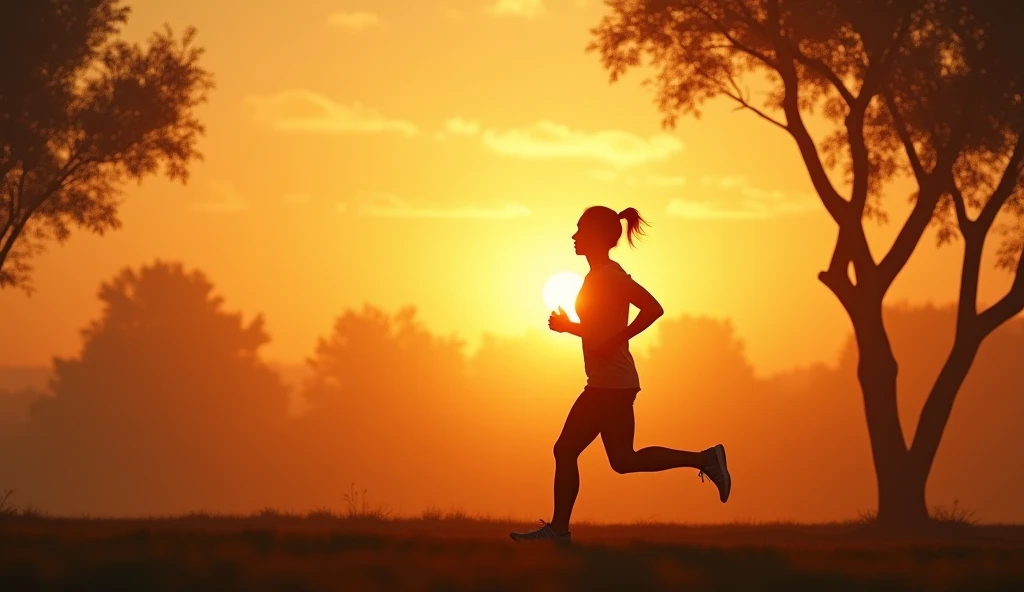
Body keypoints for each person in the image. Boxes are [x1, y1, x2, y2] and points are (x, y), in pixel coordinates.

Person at [510, 206, 731, 545]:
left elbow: (653, 308)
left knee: (565, 450)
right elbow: (600, 329)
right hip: (615, 383)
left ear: (596, 237)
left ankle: (559, 531)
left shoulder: (610, 276)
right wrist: (572, 328)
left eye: (580, 230)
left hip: (608, 385)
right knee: (624, 460)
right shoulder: (596, 277)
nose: (574, 236)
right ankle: (705, 458)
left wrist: (615, 338)